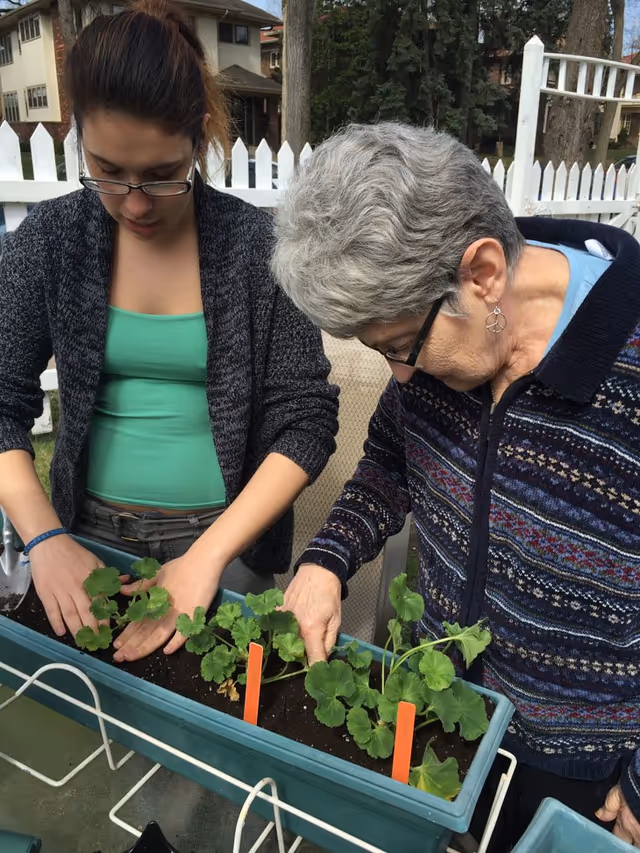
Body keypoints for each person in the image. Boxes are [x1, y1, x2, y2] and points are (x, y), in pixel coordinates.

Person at [272, 122, 640, 850]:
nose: (398, 376)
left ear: (481, 273)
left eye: (398, 347)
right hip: (439, 707)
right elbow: (388, 463)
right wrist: (325, 560)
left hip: (583, 773)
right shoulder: (441, 337)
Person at [0, 0, 338, 665]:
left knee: (216, 746)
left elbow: (305, 418)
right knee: (95, 735)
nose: (132, 203)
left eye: (160, 175)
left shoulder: (258, 250)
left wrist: (207, 557)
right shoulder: (53, 240)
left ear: (200, 134)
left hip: (226, 547)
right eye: (107, 170)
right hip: (85, 544)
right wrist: (43, 539)